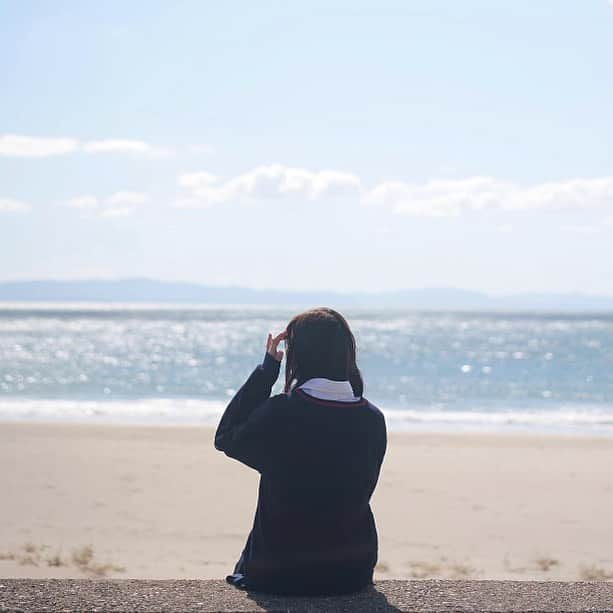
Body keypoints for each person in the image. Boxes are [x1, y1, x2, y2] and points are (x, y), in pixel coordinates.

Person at [214, 307, 387, 596]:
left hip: (280, 571)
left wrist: (267, 369)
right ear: (347, 352)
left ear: (298, 355)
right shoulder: (372, 419)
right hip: (351, 571)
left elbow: (226, 437)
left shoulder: (282, 412)